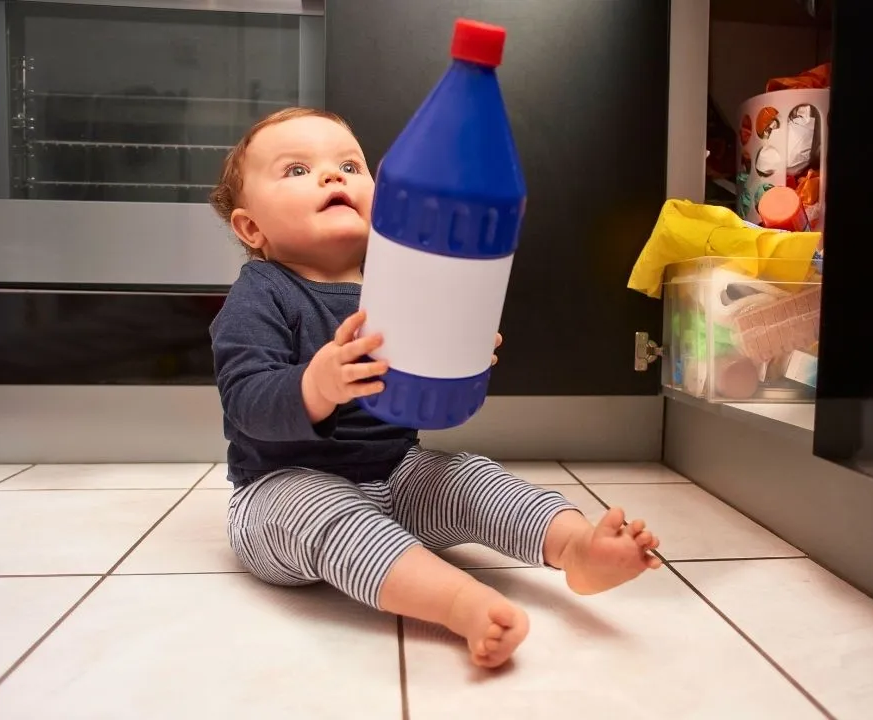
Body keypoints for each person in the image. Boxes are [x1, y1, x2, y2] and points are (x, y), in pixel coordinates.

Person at [208, 107, 663, 668]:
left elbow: (424, 399)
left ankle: (576, 547)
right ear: (251, 229)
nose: (330, 176)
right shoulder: (261, 294)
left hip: (395, 474)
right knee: (318, 506)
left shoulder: (398, 285)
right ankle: (458, 602)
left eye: (349, 166)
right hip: (278, 491)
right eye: (297, 170)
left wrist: (457, 361)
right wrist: (316, 383)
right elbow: (246, 402)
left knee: (468, 475)